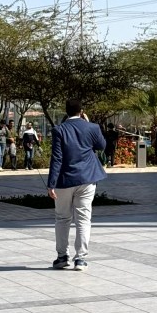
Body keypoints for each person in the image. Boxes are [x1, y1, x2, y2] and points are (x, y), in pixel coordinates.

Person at [47, 100, 106, 272]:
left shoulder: (59, 130)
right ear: (81, 111)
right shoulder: (92, 127)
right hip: (87, 178)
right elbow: (102, 146)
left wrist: (51, 184)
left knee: (62, 218)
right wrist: (88, 123)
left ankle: (62, 257)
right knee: (83, 219)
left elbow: (57, 158)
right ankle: (80, 258)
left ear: (66, 111)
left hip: (64, 180)